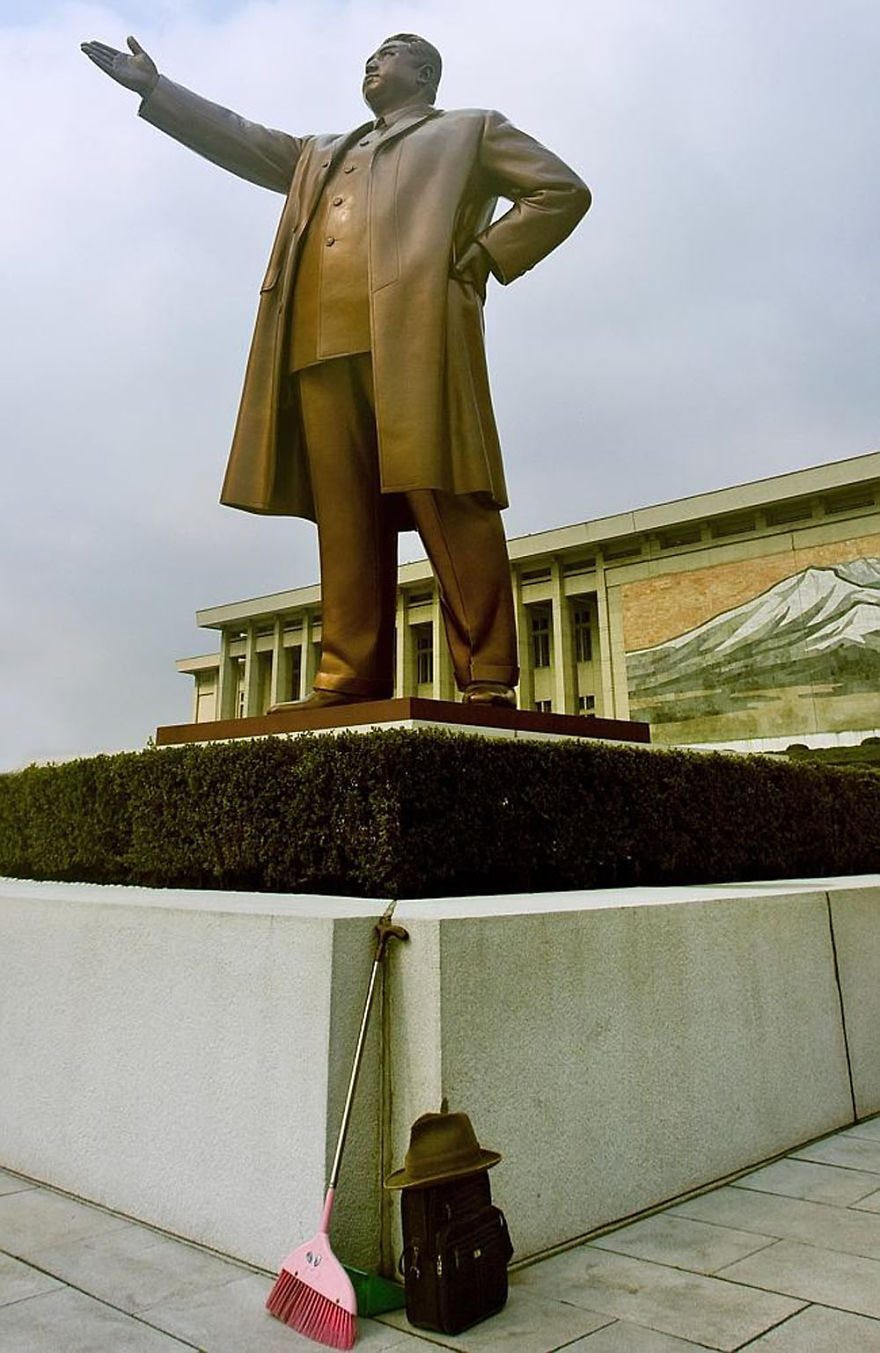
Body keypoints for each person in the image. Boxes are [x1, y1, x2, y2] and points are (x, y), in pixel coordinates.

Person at [81, 33, 591, 710]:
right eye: (370, 56)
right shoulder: (320, 153)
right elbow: (241, 139)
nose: (373, 62)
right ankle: (349, 673)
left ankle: (486, 674)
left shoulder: (471, 132)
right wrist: (156, 88)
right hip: (318, 348)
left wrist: (483, 257)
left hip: (417, 338)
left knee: (449, 494)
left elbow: (560, 191)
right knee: (346, 517)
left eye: (391, 53)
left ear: (425, 73)